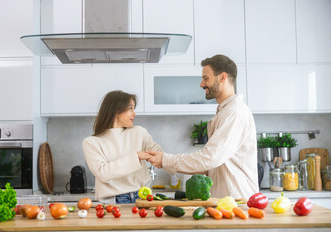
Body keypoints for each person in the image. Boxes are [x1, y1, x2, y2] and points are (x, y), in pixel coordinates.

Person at [148, 54, 258, 199]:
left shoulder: (235, 113)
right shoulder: (225, 112)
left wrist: (166, 160)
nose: (201, 84)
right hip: (227, 202)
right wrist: (165, 162)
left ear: (222, 78)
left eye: (206, 78)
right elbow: (210, 166)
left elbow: (210, 157)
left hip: (238, 203)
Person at [82, 90, 162, 204]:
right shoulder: (91, 142)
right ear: (115, 110)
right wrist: (136, 157)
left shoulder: (139, 132)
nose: (134, 114)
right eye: (130, 108)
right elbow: (103, 173)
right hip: (114, 202)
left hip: (143, 198)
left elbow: (162, 156)